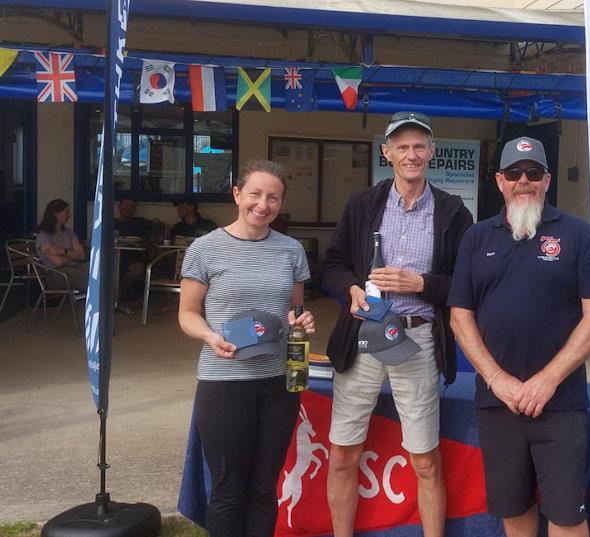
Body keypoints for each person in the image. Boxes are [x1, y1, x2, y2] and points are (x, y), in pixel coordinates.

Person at [448, 136, 590, 537]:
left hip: (560, 401)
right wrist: (499, 380)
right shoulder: (476, 238)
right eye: (515, 173)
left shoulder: (578, 235)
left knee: (567, 515)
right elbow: (459, 317)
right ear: (500, 181)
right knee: (513, 506)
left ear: (547, 180)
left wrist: (546, 381)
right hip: (497, 401)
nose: (525, 181)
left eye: (533, 172)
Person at [322, 111, 473, 537]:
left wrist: (420, 283)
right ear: (386, 153)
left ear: (432, 152)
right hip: (363, 335)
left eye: (419, 146)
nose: (412, 154)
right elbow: (331, 265)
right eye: (402, 147)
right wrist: (350, 289)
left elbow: (467, 283)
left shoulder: (452, 212)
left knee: (425, 459)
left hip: (417, 337)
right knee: (342, 455)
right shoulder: (363, 203)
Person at [178, 159, 315, 537]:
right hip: (224, 382)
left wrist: (300, 321)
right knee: (228, 489)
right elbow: (187, 314)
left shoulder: (291, 250)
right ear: (237, 194)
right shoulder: (205, 249)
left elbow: (294, 310)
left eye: (273, 197)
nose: (263, 204)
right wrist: (209, 336)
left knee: (262, 487)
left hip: (278, 384)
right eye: (255, 193)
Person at [35, 199, 89, 292]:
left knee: (100, 271)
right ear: (56, 214)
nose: (69, 215)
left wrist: (63, 251)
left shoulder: (69, 233)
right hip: (56, 273)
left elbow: (82, 255)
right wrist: (74, 256)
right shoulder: (43, 237)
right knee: (86, 279)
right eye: (66, 212)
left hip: (76, 266)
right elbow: (58, 262)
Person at [115, 197, 155, 294]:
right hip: (115, 256)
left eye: (132, 207)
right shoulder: (111, 222)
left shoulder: (140, 222)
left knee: (137, 269)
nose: (128, 209)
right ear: (119, 207)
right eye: (126, 206)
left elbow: (157, 226)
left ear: (135, 210)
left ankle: (117, 292)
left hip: (135, 257)